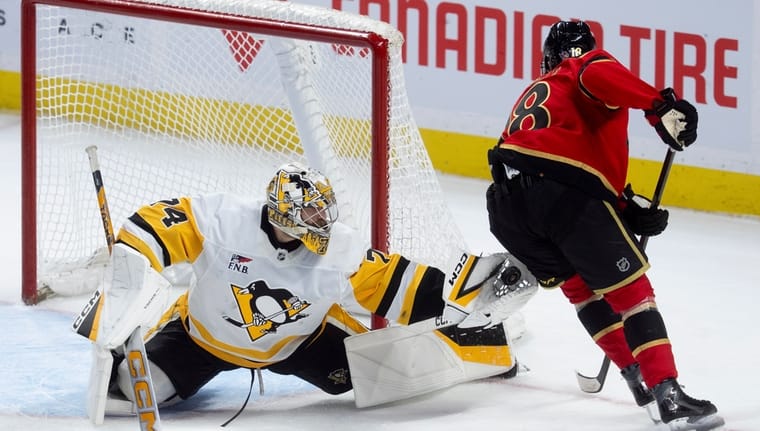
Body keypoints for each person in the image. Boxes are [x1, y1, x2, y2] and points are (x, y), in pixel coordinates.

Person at [75, 161, 538, 424]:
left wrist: (460, 305)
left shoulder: (340, 250)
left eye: (324, 214)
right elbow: (159, 222)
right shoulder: (223, 220)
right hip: (201, 338)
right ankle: (122, 354)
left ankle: (489, 345)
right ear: (282, 215)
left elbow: (396, 284)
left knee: (365, 378)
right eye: (312, 218)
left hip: (302, 342)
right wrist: (133, 258)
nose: (324, 225)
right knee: (137, 394)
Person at [485, 20, 724, 430]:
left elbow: (569, 159)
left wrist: (624, 208)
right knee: (634, 295)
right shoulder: (582, 67)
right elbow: (596, 72)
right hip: (560, 196)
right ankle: (667, 394)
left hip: (508, 207)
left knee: (582, 290)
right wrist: (658, 105)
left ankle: (637, 380)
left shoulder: (546, 92)